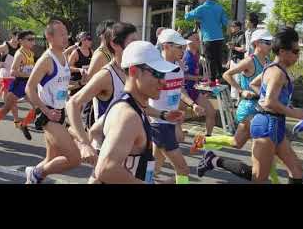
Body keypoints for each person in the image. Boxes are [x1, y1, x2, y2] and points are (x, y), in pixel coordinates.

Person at [195, 31, 278, 182]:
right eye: (266, 42)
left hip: (260, 109)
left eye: (270, 42)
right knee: (266, 150)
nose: (270, 45)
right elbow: (227, 74)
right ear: (256, 44)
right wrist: (241, 91)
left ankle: (204, 141)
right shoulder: (249, 61)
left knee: (237, 143)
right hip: (248, 109)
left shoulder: (267, 61)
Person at [92, 41, 176, 183]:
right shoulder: (128, 116)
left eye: (163, 75)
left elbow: (94, 130)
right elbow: (106, 170)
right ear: (133, 71)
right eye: (157, 74)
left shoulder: (130, 105)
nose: (163, 82)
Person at [66, 22, 138, 166]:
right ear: (115, 44)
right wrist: (85, 144)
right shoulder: (106, 74)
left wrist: (163, 115)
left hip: (129, 143)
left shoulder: (134, 69)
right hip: (107, 146)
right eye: (132, 41)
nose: (137, 45)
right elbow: (73, 103)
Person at [24, 19, 81, 184]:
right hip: (48, 114)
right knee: (74, 158)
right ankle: (35, 173)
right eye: (61, 34)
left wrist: (79, 84)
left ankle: (33, 179)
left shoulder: (63, 56)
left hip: (60, 112)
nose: (66, 37)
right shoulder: (46, 60)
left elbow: (59, 87)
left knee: (51, 159)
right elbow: (29, 88)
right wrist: (45, 110)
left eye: (66, 33)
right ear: (49, 37)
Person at [248, 27, 303, 183]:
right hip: (267, 125)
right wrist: (295, 114)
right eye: (295, 51)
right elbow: (269, 101)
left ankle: (215, 161)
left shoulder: (273, 68)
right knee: (259, 178)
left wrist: (283, 104)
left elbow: (255, 84)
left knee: (296, 169)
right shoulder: (277, 72)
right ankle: (215, 161)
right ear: (282, 52)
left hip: (274, 124)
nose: (298, 56)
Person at [149, 29, 205, 184]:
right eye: (179, 47)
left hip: (170, 121)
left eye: (183, 46)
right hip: (159, 123)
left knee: (155, 167)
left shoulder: (178, 67)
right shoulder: (155, 69)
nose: (183, 50)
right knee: (183, 171)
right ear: (166, 46)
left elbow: (179, 90)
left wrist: (193, 104)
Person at [0, 30, 36, 141]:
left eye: (33, 39)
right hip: (18, 84)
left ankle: (23, 124)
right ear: (21, 41)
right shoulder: (19, 54)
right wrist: (28, 74)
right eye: (29, 39)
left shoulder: (31, 53)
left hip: (27, 84)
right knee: (6, 108)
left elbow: (30, 69)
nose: (32, 42)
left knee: (37, 107)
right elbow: (13, 72)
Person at [185, 0, 229, 84]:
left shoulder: (202, 8)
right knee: (218, 59)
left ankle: (211, 80)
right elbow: (225, 22)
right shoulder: (219, 7)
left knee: (209, 59)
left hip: (208, 38)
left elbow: (187, 17)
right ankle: (219, 78)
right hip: (220, 38)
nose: (198, 1)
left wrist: (189, 9)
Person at [182, 30, 217, 137]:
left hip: (193, 90)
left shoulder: (196, 55)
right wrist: (200, 78)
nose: (199, 41)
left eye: (199, 38)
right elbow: (183, 76)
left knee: (211, 111)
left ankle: (208, 137)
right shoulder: (185, 56)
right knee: (177, 117)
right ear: (188, 42)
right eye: (196, 39)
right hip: (183, 92)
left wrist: (202, 81)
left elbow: (194, 76)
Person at [68, 31, 93, 97]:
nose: (91, 41)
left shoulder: (91, 51)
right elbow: (68, 68)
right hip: (76, 84)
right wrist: (79, 70)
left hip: (86, 83)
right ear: (83, 40)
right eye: (89, 39)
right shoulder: (76, 52)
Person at [227, 21, 245, 100]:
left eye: (233, 26)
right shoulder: (233, 36)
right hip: (233, 60)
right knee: (232, 78)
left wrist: (233, 47)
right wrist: (229, 60)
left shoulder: (242, 35)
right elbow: (231, 50)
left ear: (238, 27)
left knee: (238, 79)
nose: (231, 28)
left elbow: (243, 49)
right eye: (231, 26)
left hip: (239, 60)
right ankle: (233, 97)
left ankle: (238, 98)